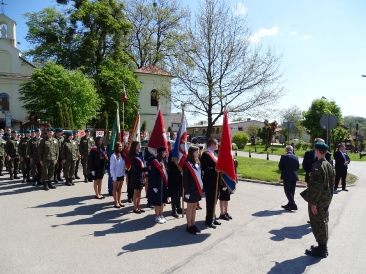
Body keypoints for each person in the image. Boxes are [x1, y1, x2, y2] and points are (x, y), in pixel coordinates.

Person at [304, 142, 335, 258]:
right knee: (322, 221)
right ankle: (321, 246)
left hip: (318, 201)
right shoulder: (328, 164)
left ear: (316, 151)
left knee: (318, 223)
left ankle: (322, 249)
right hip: (326, 199)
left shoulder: (318, 165)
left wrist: (313, 203)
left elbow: (317, 187)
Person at [200, 138, 221, 229]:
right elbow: (204, 168)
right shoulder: (206, 154)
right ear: (212, 144)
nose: (217, 146)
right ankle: (209, 219)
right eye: (216, 144)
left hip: (216, 181)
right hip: (209, 182)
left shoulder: (215, 153)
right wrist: (214, 170)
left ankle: (213, 216)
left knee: (215, 200)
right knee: (210, 201)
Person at [183, 145, 203, 234]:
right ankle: (189, 225)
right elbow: (185, 180)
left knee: (194, 207)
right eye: (196, 152)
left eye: (198, 151)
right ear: (192, 153)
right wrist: (187, 192)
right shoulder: (187, 165)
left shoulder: (197, 163)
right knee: (190, 208)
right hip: (190, 190)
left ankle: (193, 224)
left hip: (196, 189)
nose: (198, 153)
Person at [149, 146, 169, 224]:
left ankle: (161, 214)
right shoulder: (155, 162)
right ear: (160, 153)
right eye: (164, 152)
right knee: (158, 201)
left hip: (163, 184)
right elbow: (153, 175)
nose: (165, 153)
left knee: (163, 201)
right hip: (157, 185)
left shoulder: (162, 161)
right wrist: (154, 186)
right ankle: (157, 216)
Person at [128, 141, 148, 214]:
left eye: (139, 145)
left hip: (141, 176)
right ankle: (135, 207)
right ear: (134, 147)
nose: (139, 147)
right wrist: (146, 169)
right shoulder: (133, 157)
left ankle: (138, 207)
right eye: (138, 146)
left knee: (139, 192)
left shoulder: (139, 154)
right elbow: (136, 169)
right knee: (136, 193)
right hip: (136, 176)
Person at [278, 145, 300, 211]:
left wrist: (284, 170)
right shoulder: (296, 157)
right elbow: (297, 167)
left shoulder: (284, 156)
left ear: (286, 150)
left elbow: (280, 166)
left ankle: (293, 204)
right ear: (292, 150)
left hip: (286, 175)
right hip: (294, 175)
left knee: (287, 190)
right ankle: (290, 204)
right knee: (292, 190)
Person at [167, 142, 182, 218]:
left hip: (179, 176)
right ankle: (174, 210)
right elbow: (169, 166)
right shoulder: (172, 154)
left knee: (179, 193)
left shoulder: (180, 153)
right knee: (174, 194)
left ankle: (178, 208)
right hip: (173, 176)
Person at [110, 142, 126, 208]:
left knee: (120, 189)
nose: (121, 147)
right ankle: (116, 202)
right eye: (119, 146)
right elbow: (112, 168)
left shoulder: (122, 155)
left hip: (121, 174)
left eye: (121, 146)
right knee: (115, 189)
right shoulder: (113, 156)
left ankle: (119, 201)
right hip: (116, 175)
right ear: (116, 147)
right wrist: (113, 176)